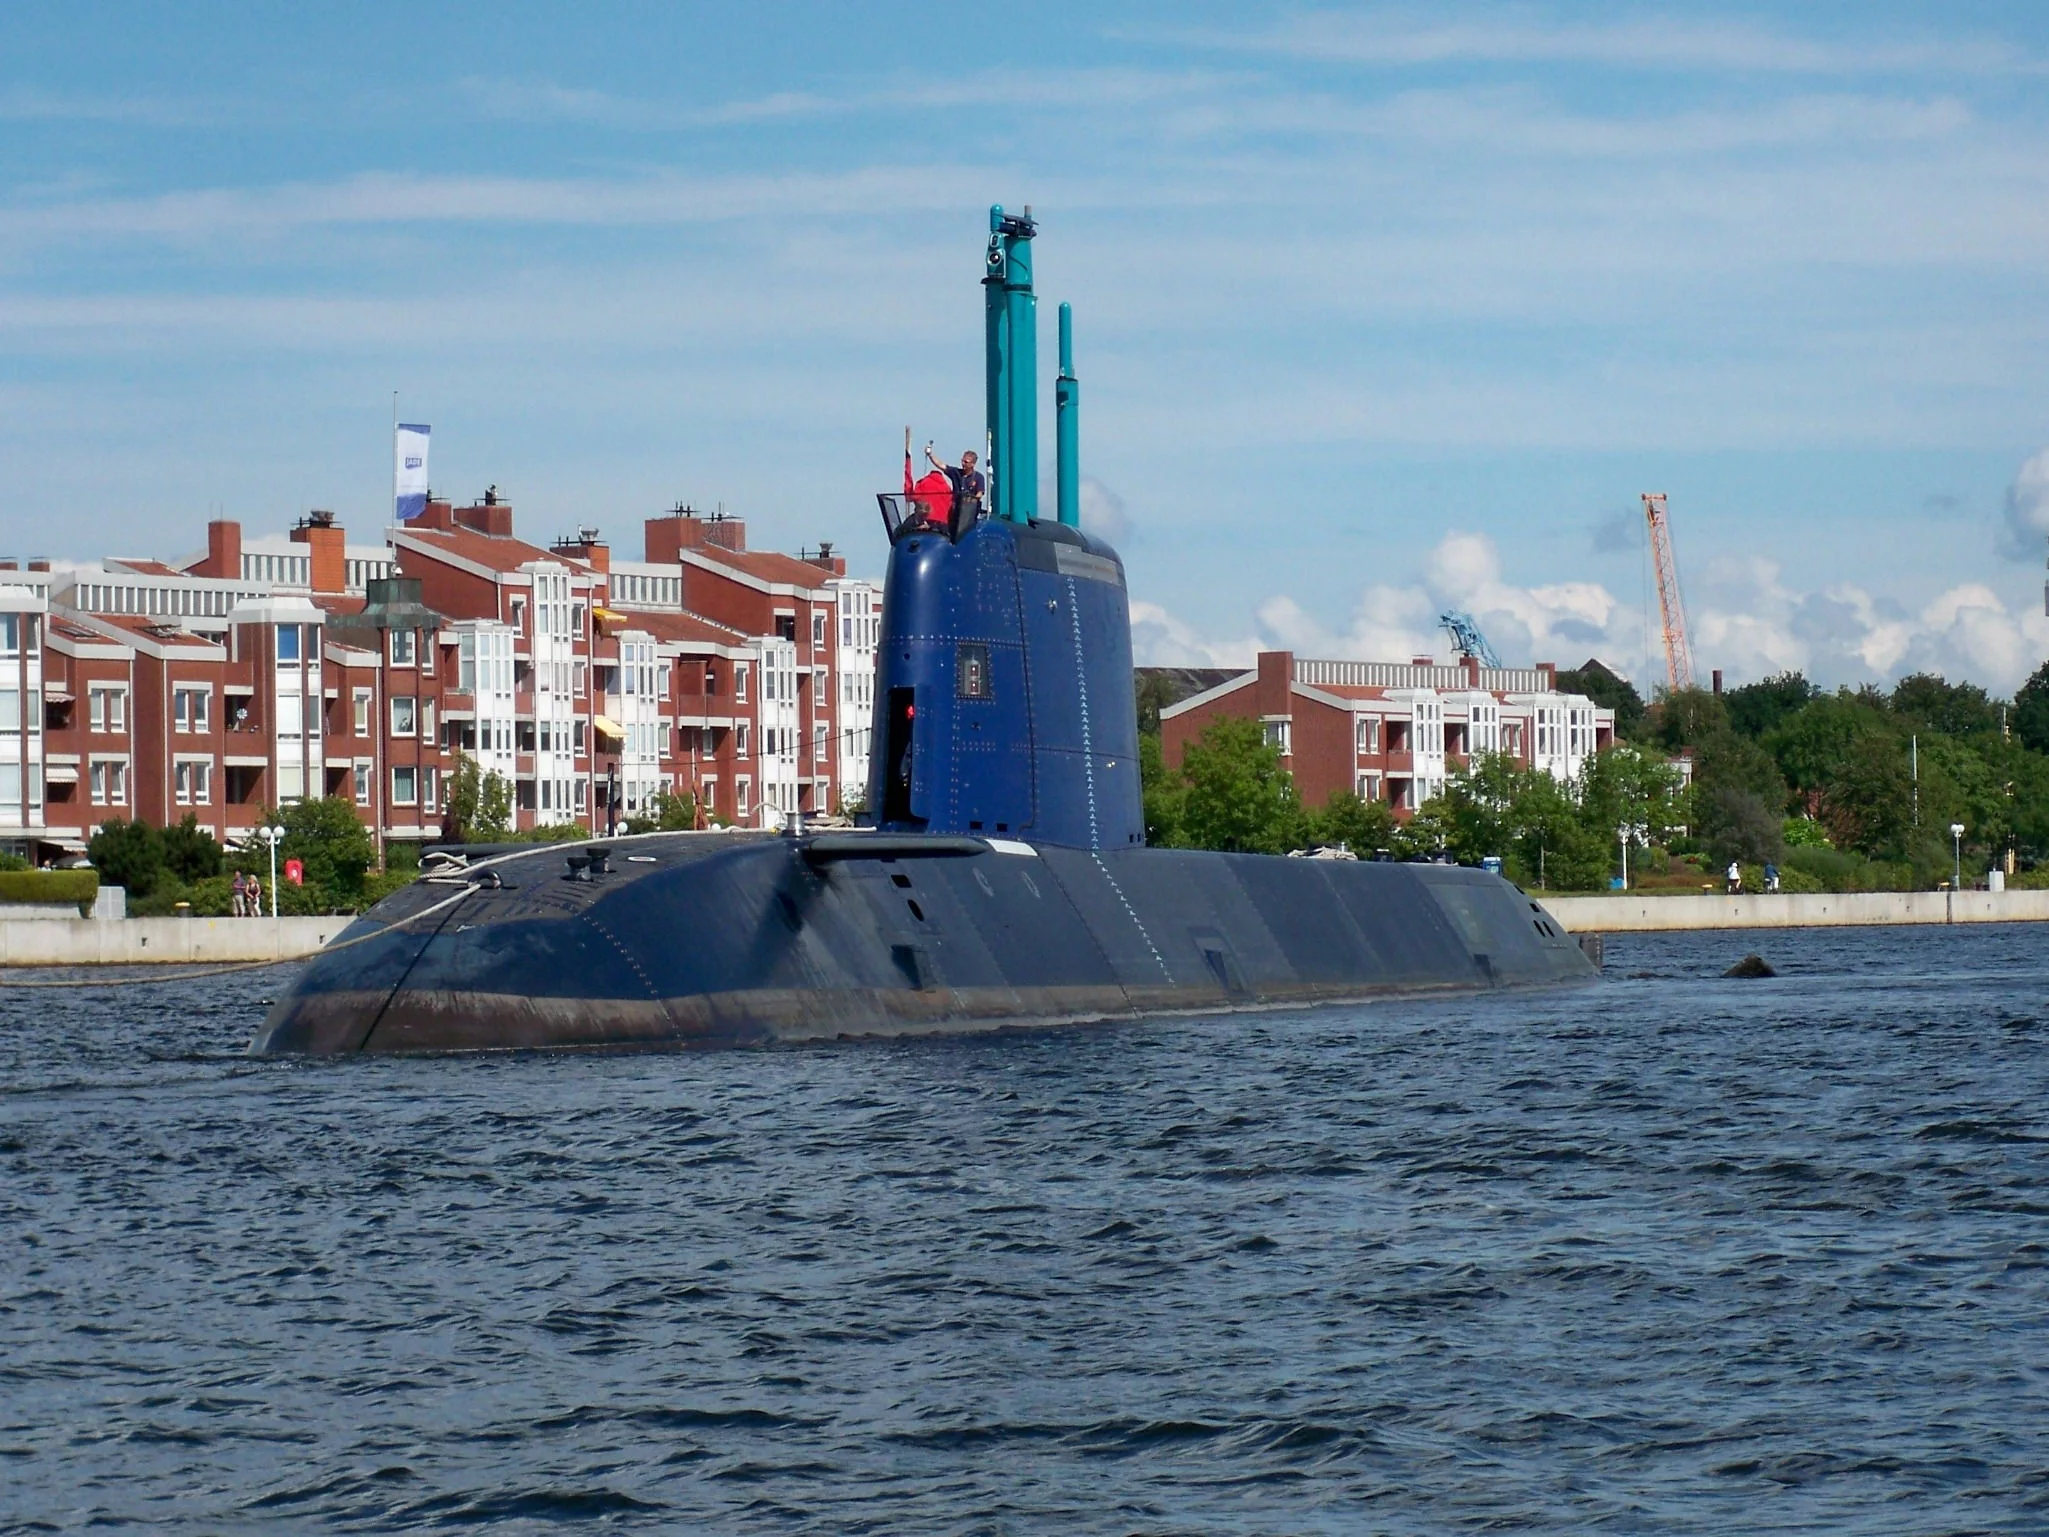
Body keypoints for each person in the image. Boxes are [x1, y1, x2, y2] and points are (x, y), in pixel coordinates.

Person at [926, 443, 986, 512]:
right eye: (962, 461)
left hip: (970, 512)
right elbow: (941, 465)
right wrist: (930, 455)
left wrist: (970, 500)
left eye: (966, 462)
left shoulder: (979, 477)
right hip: (956, 510)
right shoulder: (956, 473)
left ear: (972, 464)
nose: (963, 463)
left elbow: (980, 493)